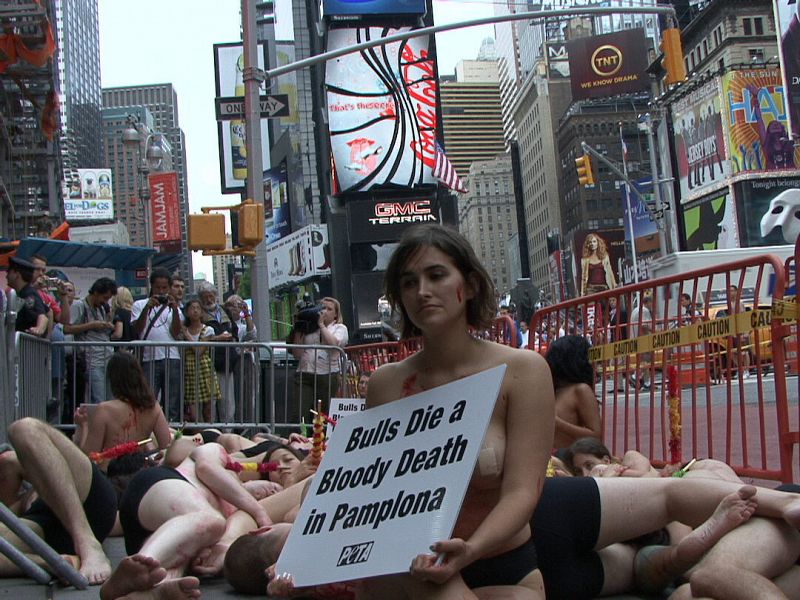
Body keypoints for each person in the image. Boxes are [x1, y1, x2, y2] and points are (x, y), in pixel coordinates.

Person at [287, 224, 554, 599]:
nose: (422, 291)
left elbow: (523, 492)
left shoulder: (523, 372)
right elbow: (368, 491)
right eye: (409, 282)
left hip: (501, 564)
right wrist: (302, 559)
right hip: (406, 570)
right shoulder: (385, 383)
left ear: (471, 286)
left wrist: (469, 551)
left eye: (436, 275)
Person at [0, 418, 117, 584]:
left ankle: (86, 542)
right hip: (44, 531)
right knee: (17, 442)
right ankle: (53, 562)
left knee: (23, 430)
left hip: (84, 498)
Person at [72, 351, 171, 464]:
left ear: (112, 379)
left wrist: (84, 425)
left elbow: (89, 457)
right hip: (139, 472)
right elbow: (167, 448)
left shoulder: (104, 410)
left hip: (110, 475)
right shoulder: (153, 407)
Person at [132, 268, 183, 422]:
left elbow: (176, 332)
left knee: (172, 401)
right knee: (148, 399)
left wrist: (174, 309)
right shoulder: (139, 305)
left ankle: (171, 433)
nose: (161, 292)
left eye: (164, 288)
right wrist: (147, 308)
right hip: (149, 359)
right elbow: (137, 329)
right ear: (151, 287)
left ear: (169, 288)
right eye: (157, 288)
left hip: (172, 357)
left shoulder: (175, 307)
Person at [289, 296, 349, 420]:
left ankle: (322, 438)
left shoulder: (339, 328)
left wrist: (321, 325)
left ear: (336, 315)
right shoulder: (310, 327)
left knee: (323, 414)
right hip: (305, 373)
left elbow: (333, 344)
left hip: (327, 375)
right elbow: (297, 353)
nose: (324, 311)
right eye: (322, 308)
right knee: (300, 413)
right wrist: (298, 329)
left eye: (329, 309)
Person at [65, 277, 118, 404]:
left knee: (110, 398)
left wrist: (107, 325)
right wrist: (91, 325)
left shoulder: (101, 308)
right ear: (95, 292)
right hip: (92, 360)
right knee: (99, 398)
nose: (105, 301)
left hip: (106, 357)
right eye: (104, 298)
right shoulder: (79, 306)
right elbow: (67, 328)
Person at [545, 336, 602, 449]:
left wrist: (559, 424)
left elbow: (595, 436)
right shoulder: (553, 390)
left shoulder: (581, 390)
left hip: (566, 458)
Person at [197, 281, 239, 422]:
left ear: (215, 295)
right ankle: (211, 435)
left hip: (226, 364)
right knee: (210, 405)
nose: (208, 300)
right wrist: (218, 338)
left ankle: (229, 434)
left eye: (211, 296)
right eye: (205, 297)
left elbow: (235, 332)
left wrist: (231, 338)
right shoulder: (198, 314)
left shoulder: (224, 311)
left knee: (228, 404)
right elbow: (197, 337)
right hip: (208, 366)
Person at [181, 298, 221, 423]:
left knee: (208, 411)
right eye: (192, 308)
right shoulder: (182, 330)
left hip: (205, 370)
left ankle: (209, 436)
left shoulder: (207, 330)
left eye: (198, 308)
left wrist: (187, 335)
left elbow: (199, 351)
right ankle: (198, 438)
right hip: (189, 371)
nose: (195, 311)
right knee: (193, 414)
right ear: (187, 312)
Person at [6, 256, 48, 337]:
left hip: (27, 347)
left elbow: (42, 316)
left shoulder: (28, 294)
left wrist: (39, 329)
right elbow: (48, 311)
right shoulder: (21, 293)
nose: (6, 276)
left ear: (16, 275)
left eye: (9, 272)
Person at [726, 284, 753, 378]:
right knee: (733, 352)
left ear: (736, 292)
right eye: (729, 291)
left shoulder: (740, 303)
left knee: (744, 352)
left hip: (741, 330)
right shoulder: (729, 304)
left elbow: (742, 317)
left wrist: (745, 332)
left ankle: (746, 370)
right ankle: (740, 369)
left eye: (732, 290)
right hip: (733, 331)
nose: (730, 292)